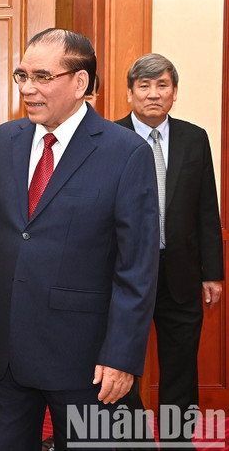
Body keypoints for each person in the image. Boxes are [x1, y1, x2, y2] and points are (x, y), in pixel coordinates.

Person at [0, 28, 160, 450]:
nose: (28, 88)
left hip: (84, 360)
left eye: (42, 76)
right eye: (22, 75)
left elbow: (136, 268)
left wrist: (121, 355)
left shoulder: (126, 152)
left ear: (80, 82)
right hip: (4, 351)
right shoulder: (1, 142)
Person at [116, 53, 223, 449]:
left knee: (180, 366)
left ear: (175, 93)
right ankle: (133, 443)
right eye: (143, 86)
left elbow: (206, 210)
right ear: (130, 93)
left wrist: (212, 272)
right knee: (121, 362)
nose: (153, 94)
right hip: (124, 275)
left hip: (180, 272)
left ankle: (180, 441)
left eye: (162, 85)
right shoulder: (110, 138)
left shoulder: (195, 138)